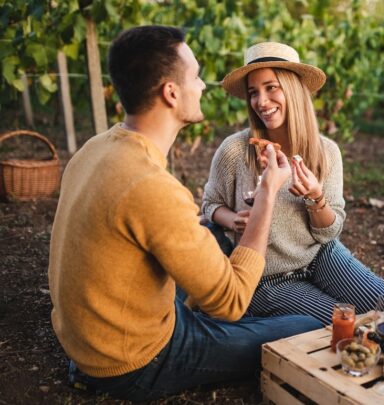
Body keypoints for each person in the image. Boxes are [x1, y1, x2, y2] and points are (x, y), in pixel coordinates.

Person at [47, 26, 321, 402]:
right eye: (195, 76)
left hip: (88, 338)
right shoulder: (152, 186)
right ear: (171, 93)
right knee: (309, 325)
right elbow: (232, 300)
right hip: (134, 361)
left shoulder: (96, 148)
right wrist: (269, 193)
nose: (204, 86)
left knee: (209, 232)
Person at [202, 42, 384, 325]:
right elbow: (210, 204)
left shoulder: (326, 152)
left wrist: (315, 198)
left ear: (293, 90)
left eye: (271, 87)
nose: (261, 101)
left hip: (320, 257)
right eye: (253, 92)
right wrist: (233, 219)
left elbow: (328, 232)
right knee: (343, 325)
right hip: (266, 278)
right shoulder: (235, 150)